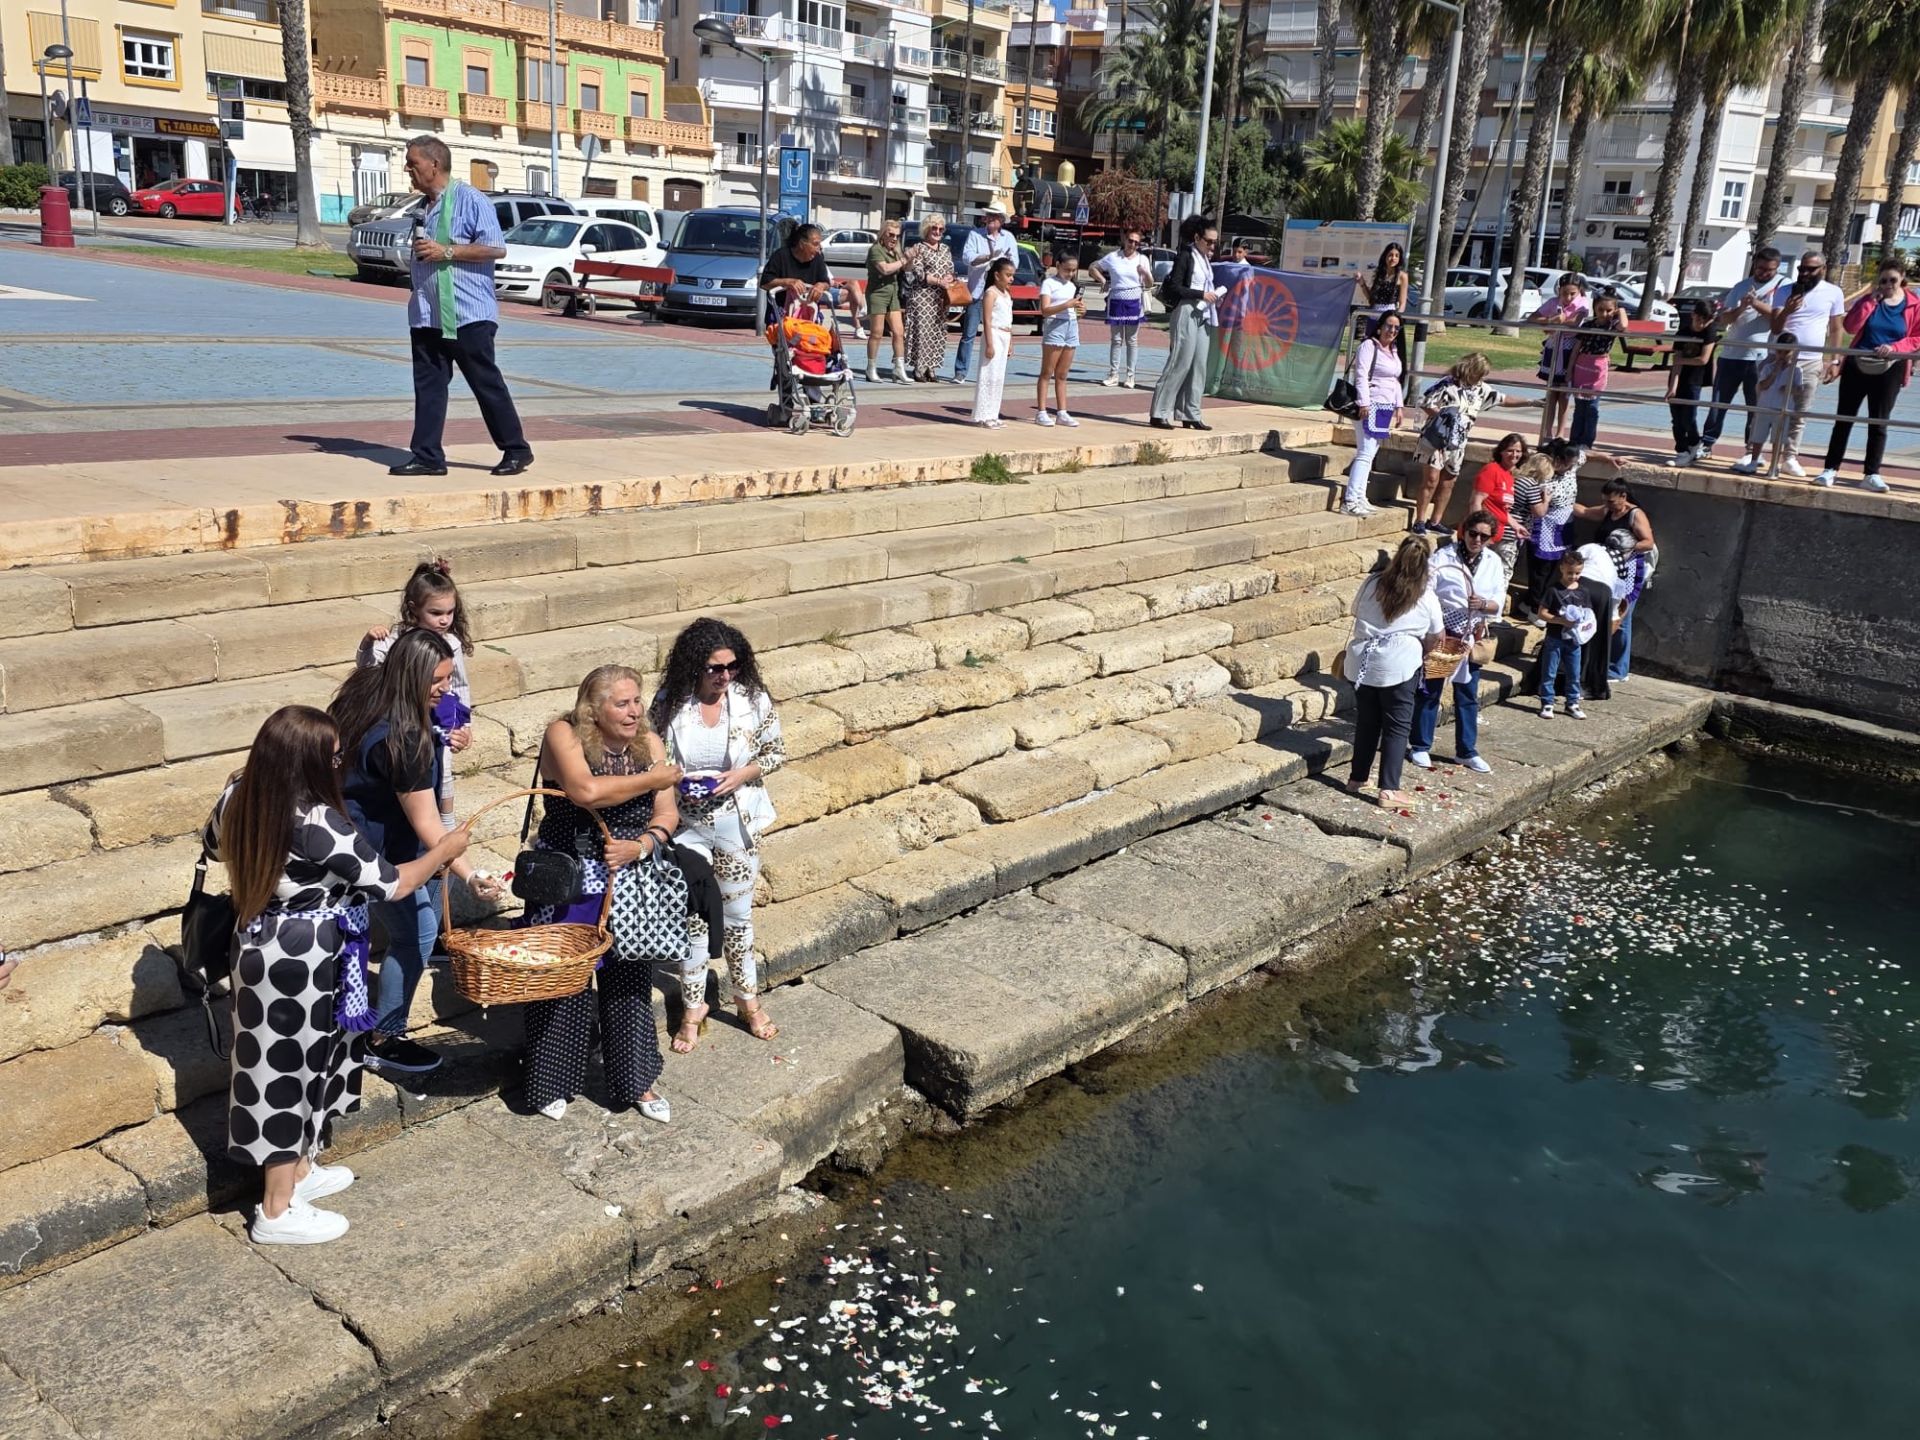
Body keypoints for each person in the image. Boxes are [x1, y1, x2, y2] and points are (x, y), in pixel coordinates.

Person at [205, 705, 470, 1245]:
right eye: (331, 756)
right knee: (286, 1072)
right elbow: (391, 883)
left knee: (308, 1058)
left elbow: (211, 845)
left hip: (260, 941)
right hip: (303, 955)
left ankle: (299, 1172)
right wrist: (445, 849)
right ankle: (275, 1211)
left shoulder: (238, 793)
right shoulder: (313, 818)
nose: (338, 763)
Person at [330, 628, 501, 1075]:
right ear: (412, 677)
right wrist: (466, 872)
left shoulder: (368, 688)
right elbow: (429, 824)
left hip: (339, 835)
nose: (445, 689)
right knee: (418, 933)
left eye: (448, 678)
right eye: (437, 681)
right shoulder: (404, 738)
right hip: (376, 851)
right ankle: (383, 1036)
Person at [522, 666, 682, 1122]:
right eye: (622, 703)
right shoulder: (563, 734)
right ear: (594, 710)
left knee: (630, 979)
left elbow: (667, 813)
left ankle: (637, 1080)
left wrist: (644, 843)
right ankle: (551, 1080)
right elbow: (584, 790)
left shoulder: (650, 743)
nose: (634, 712)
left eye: (637, 701)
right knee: (564, 979)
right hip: (569, 878)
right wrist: (653, 780)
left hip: (628, 876)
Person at [651, 619, 787, 1048]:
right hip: (686, 827)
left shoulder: (751, 699)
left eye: (732, 666)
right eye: (715, 667)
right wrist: (673, 780)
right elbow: (648, 755)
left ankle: (748, 1000)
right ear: (694, 666)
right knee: (691, 919)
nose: (724, 675)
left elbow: (776, 751)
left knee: (738, 920)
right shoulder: (669, 704)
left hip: (735, 823)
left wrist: (741, 774)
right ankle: (693, 1008)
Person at [391, 135, 533, 480]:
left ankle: (516, 449)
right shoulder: (424, 205)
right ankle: (427, 455)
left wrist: (447, 251)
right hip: (427, 314)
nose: (408, 169)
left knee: (485, 383)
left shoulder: (471, 200)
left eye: (413, 163)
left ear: (434, 164)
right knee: (428, 387)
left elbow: (496, 249)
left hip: (468, 314)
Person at [359, 559, 473, 831]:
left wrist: (462, 725)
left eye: (450, 612)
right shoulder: (395, 639)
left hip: (439, 712)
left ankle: (445, 825)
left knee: (442, 769)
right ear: (414, 608)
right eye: (436, 613)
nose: (445, 619)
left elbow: (458, 687)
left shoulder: (451, 643)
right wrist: (367, 642)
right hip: (402, 716)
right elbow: (366, 669)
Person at [1342, 537, 1445, 809]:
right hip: (1400, 663)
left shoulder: (1372, 583)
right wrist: (1422, 649)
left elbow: (1356, 611)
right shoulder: (1424, 595)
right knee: (1397, 726)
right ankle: (1388, 789)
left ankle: (1357, 778)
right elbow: (1437, 635)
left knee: (1367, 722)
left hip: (1363, 662)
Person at [1730, 249, 1847, 477]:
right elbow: (1775, 327)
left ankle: (1790, 457)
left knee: (1799, 412)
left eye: (1810, 269)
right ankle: (1755, 456)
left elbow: (1835, 328)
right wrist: (1788, 311)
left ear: (1822, 269)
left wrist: (1835, 359)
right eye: (1801, 268)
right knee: (1764, 408)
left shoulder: (1833, 292)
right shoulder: (1784, 291)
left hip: (1810, 361)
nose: (1804, 273)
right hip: (1779, 359)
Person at [1409, 511, 1507, 774]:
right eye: (1473, 533)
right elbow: (1426, 592)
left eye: (1483, 536)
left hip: (1473, 634)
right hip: (1446, 632)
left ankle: (1466, 750)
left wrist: (1484, 604)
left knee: (1468, 694)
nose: (1477, 540)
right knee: (1431, 689)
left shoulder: (1493, 562)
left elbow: (1499, 598)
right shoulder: (1444, 557)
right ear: (1464, 531)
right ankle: (1420, 744)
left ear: (1490, 539)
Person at [1816, 259, 1920, 492]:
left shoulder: (1914, 304)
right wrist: (1870, 303)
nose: (1887, 285)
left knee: (1878, 422)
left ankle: (1871, 473)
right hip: (1857, 365)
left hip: (1890, 368)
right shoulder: (1870, 300)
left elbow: (1917, 337)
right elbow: (1851, 327)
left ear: (1902, 278)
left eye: (1892, 280)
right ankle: (1830, 469)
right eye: (1883, 281)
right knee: (1844, 419)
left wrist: (1896, 348)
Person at [1408, 353, 1536, 534]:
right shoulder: (1448, 383)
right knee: (1431, 480)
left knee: (1449, 481)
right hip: (1437, 439)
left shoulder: (1481, 389)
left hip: (1458, 442)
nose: (1483, 377)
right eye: (1481, 373)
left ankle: (1435, 521)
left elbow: (1503, 399)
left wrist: (1531, 401)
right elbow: (1425, 401)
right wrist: (1442, 417)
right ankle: (1419, 520)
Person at [1699, 247, 1784, 461]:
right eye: (1761, 268)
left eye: (1769, 270)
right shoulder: (1741, 287)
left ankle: (1751, 450)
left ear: (1777, 268)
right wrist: (1741, 307)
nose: (1764, 273)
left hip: (1760, 357)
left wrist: (1756, 304)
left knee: (1755, 406)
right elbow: (1724, 318)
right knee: (1719, 402)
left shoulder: (1782, 286)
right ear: (1755, 264)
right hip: (1732, 355)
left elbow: (1779, 319)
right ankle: (1707, 443)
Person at [1574, 478, 1656, 682]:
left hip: (1627, 571)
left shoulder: (1635, 514)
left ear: (1623, 497)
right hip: (1606, 569)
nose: (1607, 505)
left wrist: (1623, 548)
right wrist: (1562, 500)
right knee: (1604, 614)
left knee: (1622, 616)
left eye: (1611, 501)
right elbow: (1584, 512)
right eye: (1605, 501)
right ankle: (1601, 662)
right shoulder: (1608, 511)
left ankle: (1619, 669)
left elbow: (1648, 542)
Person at [1149, 214, 1226, 432]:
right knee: (1179, 362)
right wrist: (1202, 293)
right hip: (1187, 310)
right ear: (1197, 237)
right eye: (1209, 241)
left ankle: (1190, 413)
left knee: (1199, 364)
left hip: (1204, 313)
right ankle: (1159, 412)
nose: (1212, 246)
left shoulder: (1205, 260)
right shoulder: (1186, 255)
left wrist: (1212, 296)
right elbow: (1175, 287)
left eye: (1215, 242)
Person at [1340, 310, 1405, 517]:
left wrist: (1399, 406)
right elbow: (1361, 374)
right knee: (1365, 452)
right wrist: (1364, 403)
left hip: (1385, 408)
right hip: (1370, 405)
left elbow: (1394, 380)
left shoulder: (1393, 350)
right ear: (1379, 326)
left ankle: (1360, 496)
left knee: (1371, 453)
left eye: (1396, 328)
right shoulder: (1369, 346)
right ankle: (1350, 500)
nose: (1392, 331)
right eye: (1388, 326)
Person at [954, 203, 1016, 384]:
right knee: (969, 333)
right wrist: (987, 258)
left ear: (1002, 220)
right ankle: (961, 371)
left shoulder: (1008, 238)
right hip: (977, 291)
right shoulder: (975, 235)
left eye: (994, 216)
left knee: (996, 331)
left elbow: (1015, 263)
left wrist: (1002, 263)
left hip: (997, 292)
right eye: (988, 215)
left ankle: (993, 373)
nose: (990, 219)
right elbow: (967, 258)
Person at [1529, 274, 1589, 443]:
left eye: (1572, 293)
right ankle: (1547, 432)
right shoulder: (1553, 303)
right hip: (1553, 347)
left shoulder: (1582, 303)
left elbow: (1575, 322)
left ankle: (1560, 433)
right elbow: (1532, 318)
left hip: (1569, 350)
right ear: (1559, 291)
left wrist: (1556, 323)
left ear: (1579, 292)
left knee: (1564, 395)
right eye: (1564, 293)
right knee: (1551, 393)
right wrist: (1550, 320)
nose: (1568, 298)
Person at [1093, 230, 1155, 388]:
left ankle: (1130, 376)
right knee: (1116, 339)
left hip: (1134, 300)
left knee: (1132, 340)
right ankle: (1113, 374)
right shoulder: (1113, 257)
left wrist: (1145, 273)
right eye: (1130, 240)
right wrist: (1102, 280)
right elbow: (1093, 267)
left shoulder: (1142, 259)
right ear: (1124, 240)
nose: (1132, 244)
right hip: (1116, 300)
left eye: (1136, 242)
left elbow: (1149, 284)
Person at [1567, 287, 1627, 449]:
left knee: (1592, 408)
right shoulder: (1587, 325)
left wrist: (1620, 310)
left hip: (1598, 369)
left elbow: (1624, 325)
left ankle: (1587, 442)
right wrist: (1569, 370)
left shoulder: (1612, 326)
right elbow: (1576, 348)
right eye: (1601, 309)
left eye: (1609, 310)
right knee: (1579, 408)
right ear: (1595, 308)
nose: (1605, 314)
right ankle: (1574, 440)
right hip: (1582, 367)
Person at [1536, 552, 1593, 720]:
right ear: (1561, 569)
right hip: (1555, 638)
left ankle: (1572, 703)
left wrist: (1584, 625)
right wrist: (1560, 620)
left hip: (1574, 640)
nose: (1573, 576)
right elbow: (1542, 613)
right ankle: (1547, 702)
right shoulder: (1553, 590)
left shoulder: (1583, 591)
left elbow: (1588, 613)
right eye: (1570, 573)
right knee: (1549, 671)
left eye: (1577, 573)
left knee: (1574, 673)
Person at [1665, 300, 1720, 465]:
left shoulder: (1709, 332)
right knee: (1676, 418)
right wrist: (1672, 387)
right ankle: (1682, 450)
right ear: (1693, 315)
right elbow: (1676, 363)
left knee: (1688, 417)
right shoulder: (1683, 332)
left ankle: (1694, 442)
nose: (1701, 324)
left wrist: (1682, 360)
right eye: (1698, 319)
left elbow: (1703, 359)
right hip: (1679, 377)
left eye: (1705, 320)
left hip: (1695, 379)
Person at [902, 216, 956, 383]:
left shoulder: (945, 248)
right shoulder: (919, 248)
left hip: (940, 298)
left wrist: (948, 278)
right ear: (926, 229)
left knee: (937, 333)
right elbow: (918, 273)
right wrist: (939, 281)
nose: (937, 232)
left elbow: (950, 267)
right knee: (922, 333)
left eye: (941, 229)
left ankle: (931, 368)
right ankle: (919, 368)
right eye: (934, 228)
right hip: (922, 297)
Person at [1036, 251, 1085, 427]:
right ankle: (1041, 411)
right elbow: (1045, 309)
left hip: (1071, 326)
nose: (1070, 274)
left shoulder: (1072, 286)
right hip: (1055, 326)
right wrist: (1067, 305)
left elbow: (1074, 309)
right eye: (1067, 270)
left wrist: (1080, 311)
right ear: (1058, 266)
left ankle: (1062, 412)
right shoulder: (1049, 283)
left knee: (1063, 374)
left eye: (1073, 271)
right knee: (1047, 372)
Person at [862, 219, 911, 384]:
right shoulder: (876, 250)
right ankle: (871, 367)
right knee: (877, 333)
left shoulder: (895, 251)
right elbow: (885, 269)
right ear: (883, 234)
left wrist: (910, 257)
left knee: (899, 332)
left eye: (897, 235)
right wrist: (904, 260)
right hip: (877, 294)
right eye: (891, 234)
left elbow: (906, 269)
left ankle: (899, 368)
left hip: (893, 294)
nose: (894, 238)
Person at [1473, 433, 1528, 574]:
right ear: (1501, 452)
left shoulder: (1509, 476)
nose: (1514, 454)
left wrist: (1516, 525)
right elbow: (1476, 501)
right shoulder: (1491, 470)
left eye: (1518, 451)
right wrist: (1477, 531)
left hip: (1496, 536)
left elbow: (1500, 509)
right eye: (1510, 450)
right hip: (1482, 537)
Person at [970, 256, 1016, 428]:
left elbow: (1009, 321)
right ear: (997, 275)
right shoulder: (991, 293)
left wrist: (1010, 341)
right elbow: (987, 320)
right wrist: (990, 344)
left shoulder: (1007, 294)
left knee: (998, 377)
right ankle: (983, 414)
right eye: (1008, 275)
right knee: (988, 374)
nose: (1011, 279)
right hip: (994, 335)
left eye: (1012, 275)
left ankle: (993, 412)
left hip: (1004, 335)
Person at [760, 222, 834, 314]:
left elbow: (826, 282)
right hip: (781, 314)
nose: (819, 248)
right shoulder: (781, 256)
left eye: (820, 244)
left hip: (808, 314)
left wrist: (821, 286)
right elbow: (764, 283)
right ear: (802, 244)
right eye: (815, 244)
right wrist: (787, 282)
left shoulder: (817, 259)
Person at [1362, 242, 1410, 315]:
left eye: (1397, 256)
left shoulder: (1402, 276)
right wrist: (1362, 283)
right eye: (1390, 255)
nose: (1393, 258)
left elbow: (1402, 303)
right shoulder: (1380, 273)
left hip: (1389, 315)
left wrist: (1396, 317)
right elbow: (1371, 298)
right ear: (1385, 256)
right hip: (1374, 314)